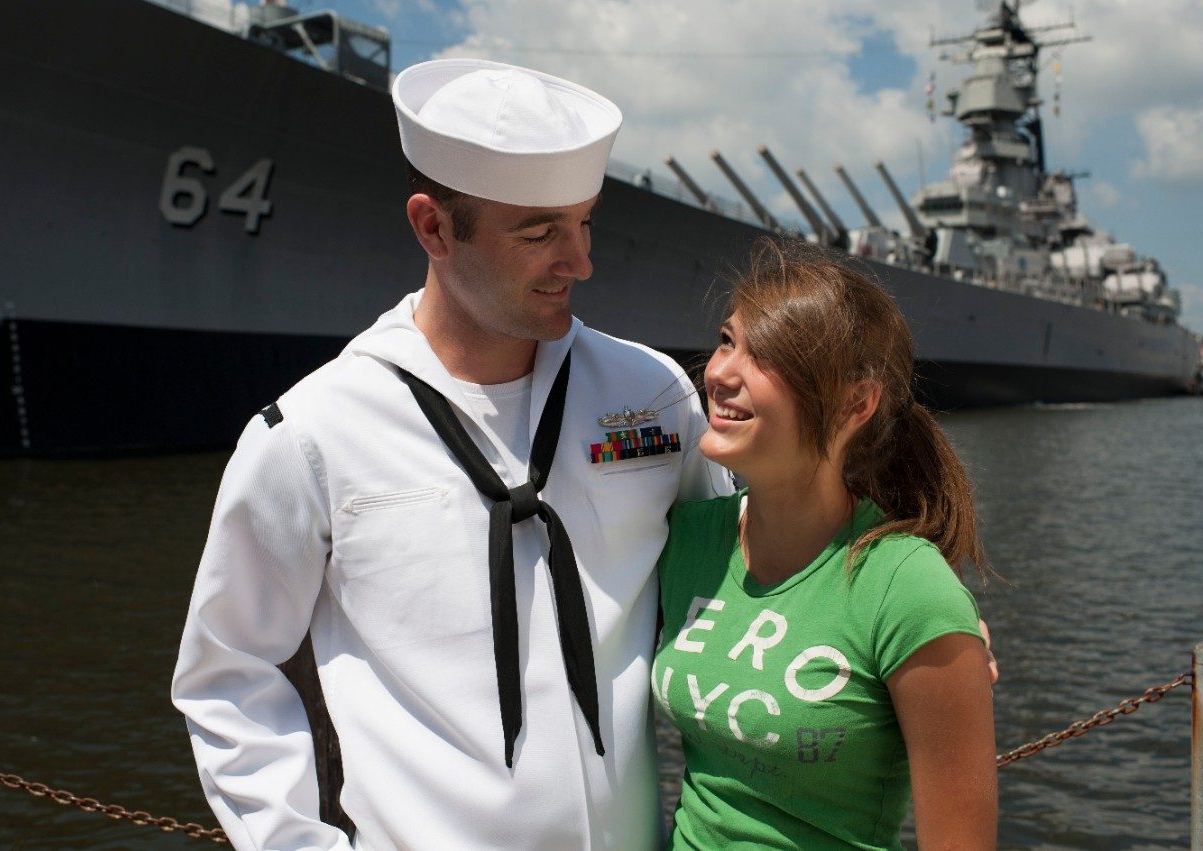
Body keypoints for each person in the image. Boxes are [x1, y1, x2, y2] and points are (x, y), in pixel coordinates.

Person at [171, 58, 731, 851]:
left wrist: (883, 609)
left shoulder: (655, 396)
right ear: (433, 226)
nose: (581, 262)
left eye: (585, 222)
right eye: (539, 233)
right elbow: (228, 672)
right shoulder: (312, 435)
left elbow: (742, 576)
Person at [653, 237, 999, 849]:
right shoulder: (685, 540)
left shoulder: (906, 588)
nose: (718, 373)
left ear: (856, 403)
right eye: (728, 339)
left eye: (767, 358)